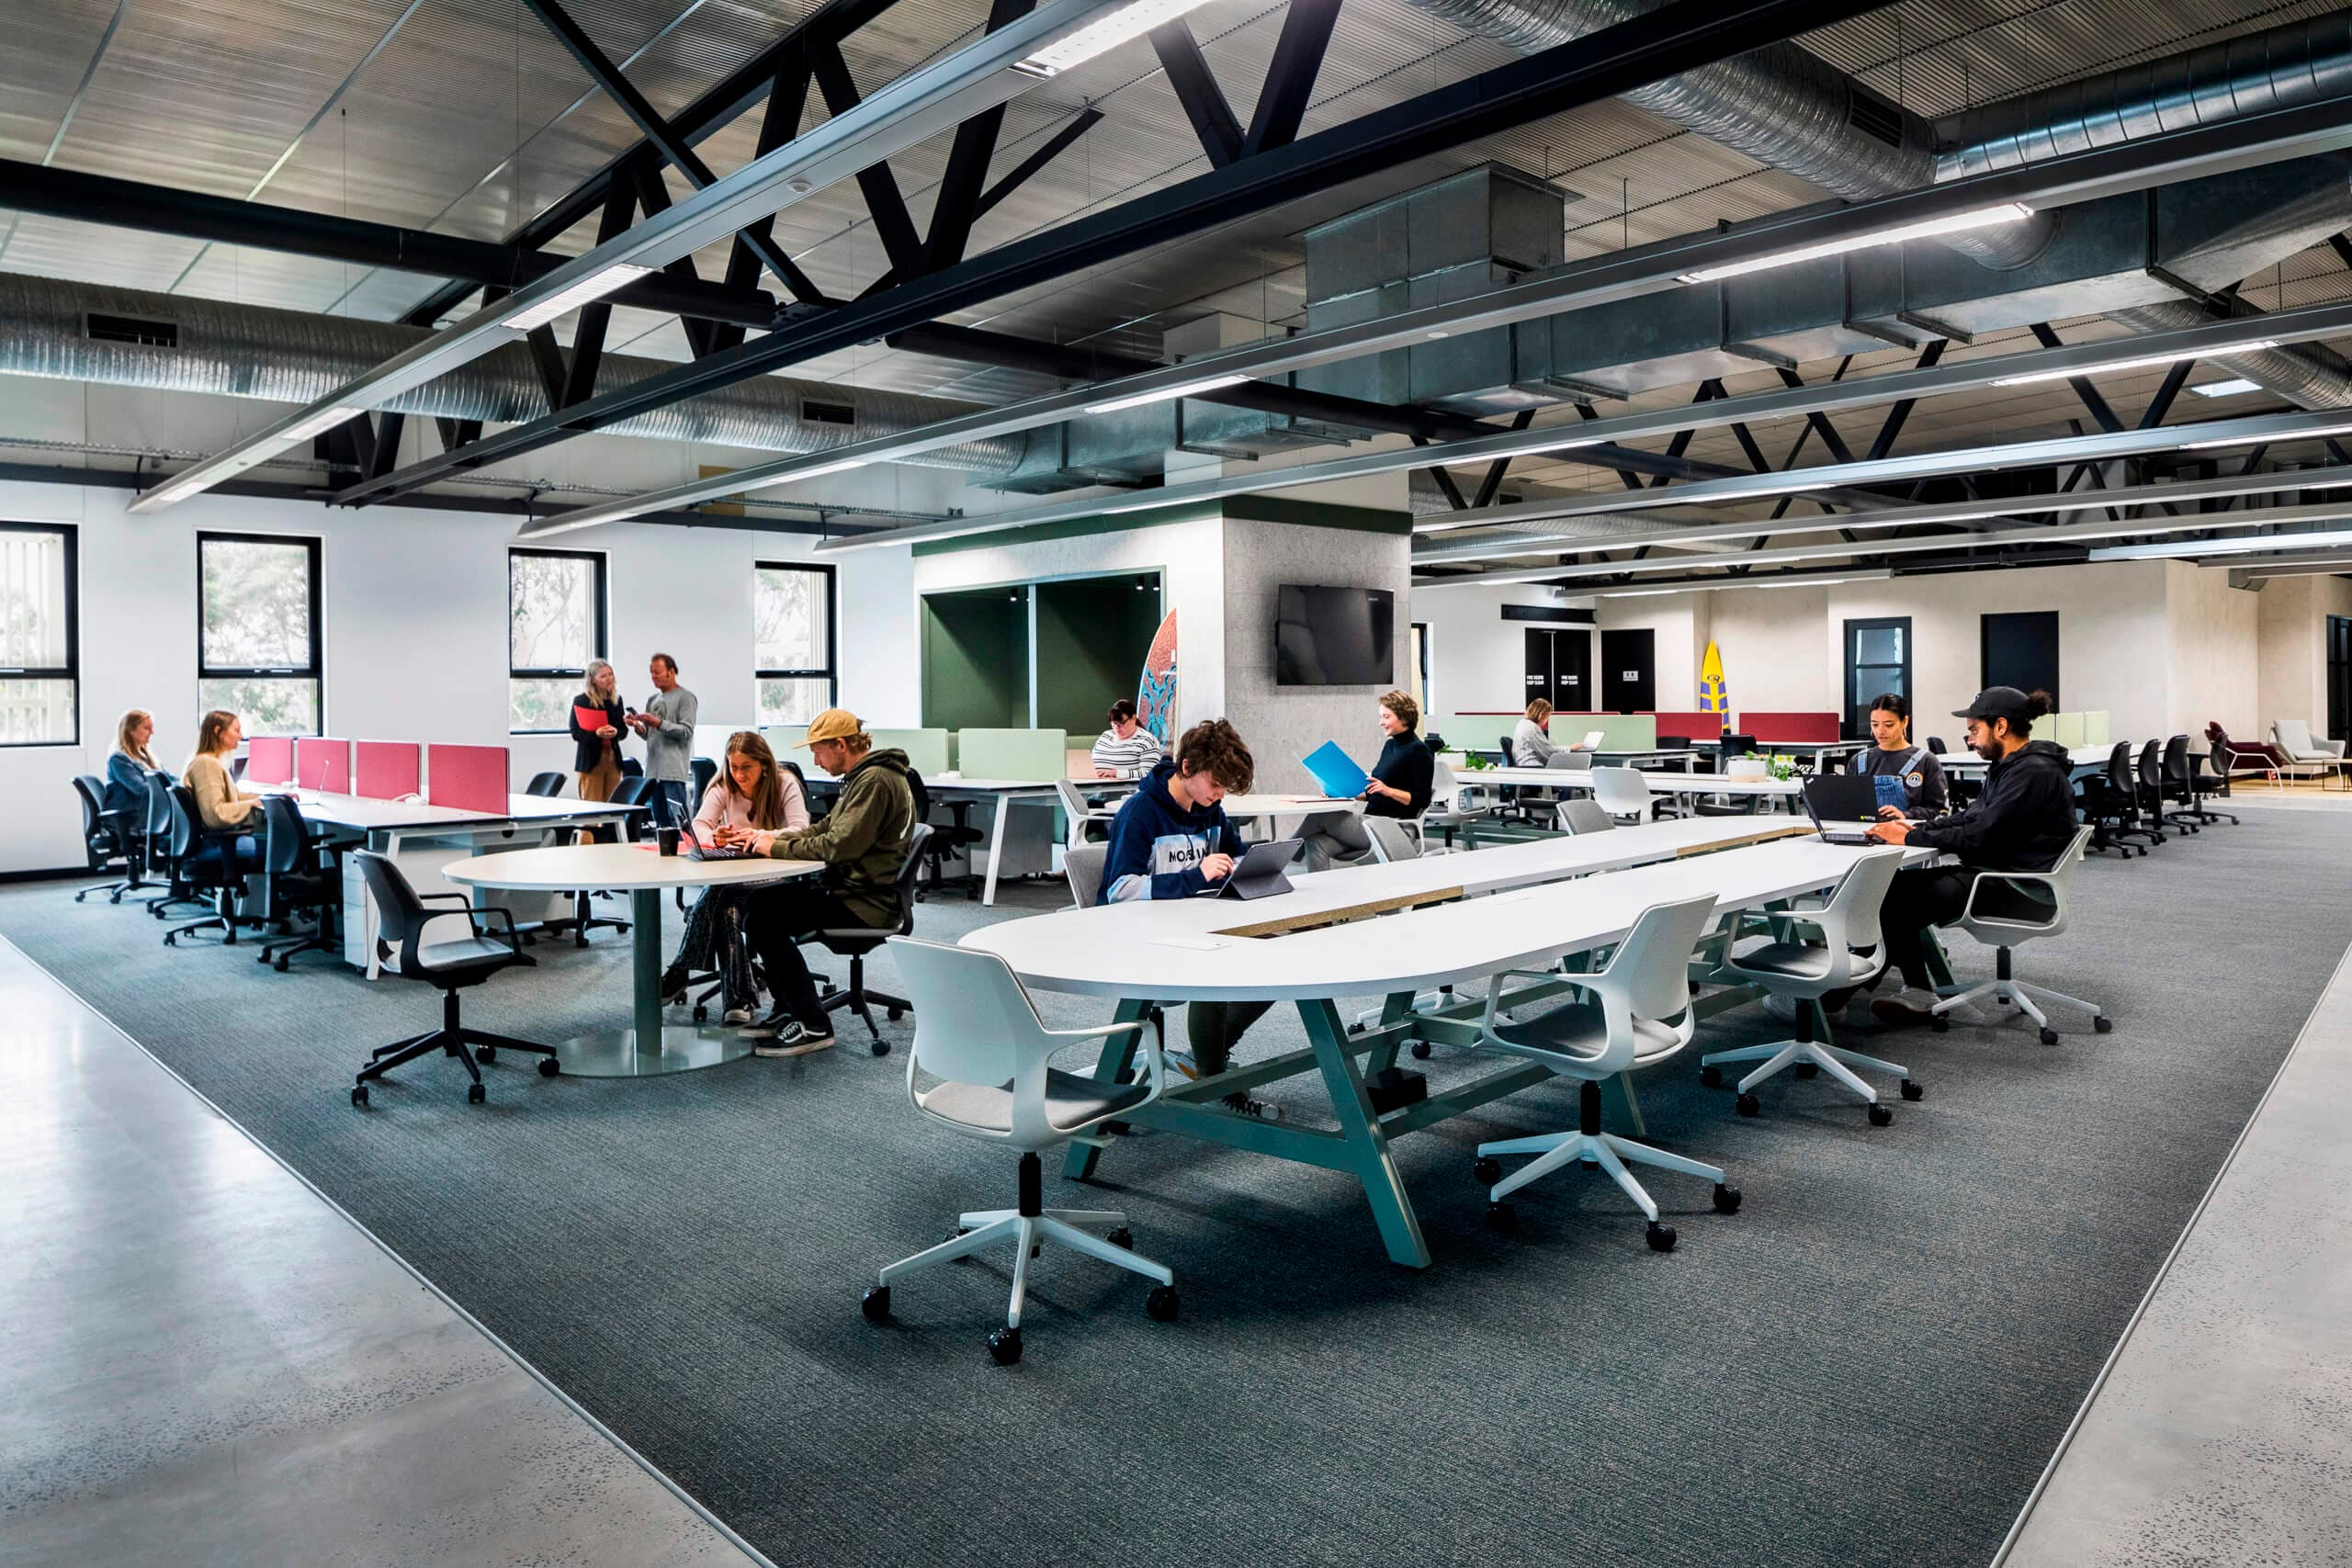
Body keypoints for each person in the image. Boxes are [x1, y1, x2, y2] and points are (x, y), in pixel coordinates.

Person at [1092, 717, 1277, 1117]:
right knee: (1214, 967)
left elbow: (1233, 854)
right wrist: (1196, 876)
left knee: (1278, 961)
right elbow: (1120, 890)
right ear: (1188, 767)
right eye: (1216, 784)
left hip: (1191, 923)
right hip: (1135, 937)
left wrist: (1244, 867)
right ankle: (1213, 1077)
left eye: (1226, 788)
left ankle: (1209, 1053)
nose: (1220, 794)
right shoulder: (1140, 814)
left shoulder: (1211, 810)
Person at [1864, 687, 2081, 1026]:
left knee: (1892, 896)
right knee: (1891, 887)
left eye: (1974, 730)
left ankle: (1860, 989)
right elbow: (1972, 816)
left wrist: (1910, 837)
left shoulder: (2032, 772)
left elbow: (1980, 835)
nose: (1970, 740)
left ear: (2000, 727)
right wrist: (1918, 827)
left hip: (2018, 887)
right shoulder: (2010, 767)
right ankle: (1897, 987)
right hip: (1999, 873)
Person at [729, 710, 915, 1056]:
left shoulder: (873, 781)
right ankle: (789, 1008)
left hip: (864, 903)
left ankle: (814, 1025)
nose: (815, 760)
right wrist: (767, 837)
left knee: (764, 920)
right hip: (854, 890)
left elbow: (837, 847)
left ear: (841, 744)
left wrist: (776, 848)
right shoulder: (862, 778)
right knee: (759, 903)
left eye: (818, 751)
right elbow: (825, 827)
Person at [662, 733, 810, 1025]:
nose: (739, 774)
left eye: (747, 767)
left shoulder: (784, 783)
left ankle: (681, 969)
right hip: (735, 878)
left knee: (721, 893)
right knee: (727, 909)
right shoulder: (723, 785)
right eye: (734, 766)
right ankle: (739, 999)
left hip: (777, 876)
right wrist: (715, 837)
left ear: (764, 765)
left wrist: (758, 836)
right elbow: (699, 826)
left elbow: (801, 829)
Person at [1296, 690, 1435, 871]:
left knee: (1320, 816)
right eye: (1381, 717)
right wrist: (1338, 792)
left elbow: (1422, 799)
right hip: (1370, 821)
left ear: (1404, 717)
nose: (1381, 722)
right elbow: (1373, 792)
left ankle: (1279, 859)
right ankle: (1318, 888)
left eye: (1386, 717)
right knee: (1316, 842)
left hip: (1392, 828)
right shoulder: (1390, 745)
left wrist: (1388, 790)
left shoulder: (1419, 751)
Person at [181, 709, 264, 867]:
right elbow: (216, 814)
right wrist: (251, 804)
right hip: (217, 843)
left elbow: (232, 796)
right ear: (218, 731)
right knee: (285, 843)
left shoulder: (208, 761)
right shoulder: (206, 765)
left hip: (216, 840)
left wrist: (267, 798)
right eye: (236, 730)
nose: (241, 736)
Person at [627, 652, 697, 831]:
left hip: (672, 771)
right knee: (660, 822)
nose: (653, 676)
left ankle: (685, 848)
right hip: (653, 771)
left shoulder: (686, 697)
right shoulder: (653, 699)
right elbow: (649, 735)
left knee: (678, 823)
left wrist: (658, 723)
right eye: (651, 672)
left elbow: (686, 731)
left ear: (671, 672)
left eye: (657, 672)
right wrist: (637, 726)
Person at [1851, 692, 1948, 818]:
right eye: (1875, 724)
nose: (1880, 731)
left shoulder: (1926, 761)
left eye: (1889, 725)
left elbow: (1940, 811)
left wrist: (1906, 815)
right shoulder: (1859, 761)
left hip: (1908, 829)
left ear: (1905, 722)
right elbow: (1849, 805)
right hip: (1866, 828)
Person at [569, 660, 627, 802]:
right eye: (603, 676)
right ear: (593, 680)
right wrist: (596, 734)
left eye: (610, 674)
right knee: (592, 805)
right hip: (591, 761)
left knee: (613, 805)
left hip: (613, 759)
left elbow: (623, 730)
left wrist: (616, 732)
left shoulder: (617, 700)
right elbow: (576, 733)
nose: (609, 678)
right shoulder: (582, 701)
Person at [1091, 698, 1164, 778]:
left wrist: (1117, 773)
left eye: (1122, 723)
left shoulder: (1147, 741)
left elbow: (1150, 775)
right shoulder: (1105, 736)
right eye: (1114, 723)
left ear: (1133, 718)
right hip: (1093, 782)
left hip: (1125, 785)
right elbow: (1090, 763)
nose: (1117, 727)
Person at [106, 708, 158, 816]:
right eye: (146, 728)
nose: (152, 732)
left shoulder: (146, 757)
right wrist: (166, 789)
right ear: (130, 730)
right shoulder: (118, 759)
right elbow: (141, 789)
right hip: (132, 814)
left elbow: (166, 777)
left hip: (148, 811)